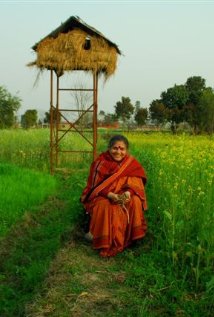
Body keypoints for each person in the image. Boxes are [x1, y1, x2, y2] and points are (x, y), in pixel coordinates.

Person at [80, 134, 147, 257]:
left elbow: (136, 183)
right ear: (109, 148)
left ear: (126, 151)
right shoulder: (100, 163)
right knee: (106, 206)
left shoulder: (131, 163)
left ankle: (131, 239)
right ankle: (104, 240)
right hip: (103, 195)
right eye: (115, 148)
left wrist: (128, 193)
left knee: (135, 201)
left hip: (124, 194)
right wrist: (110, 195)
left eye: (122, 149)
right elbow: (94, 187)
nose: (118, 152)